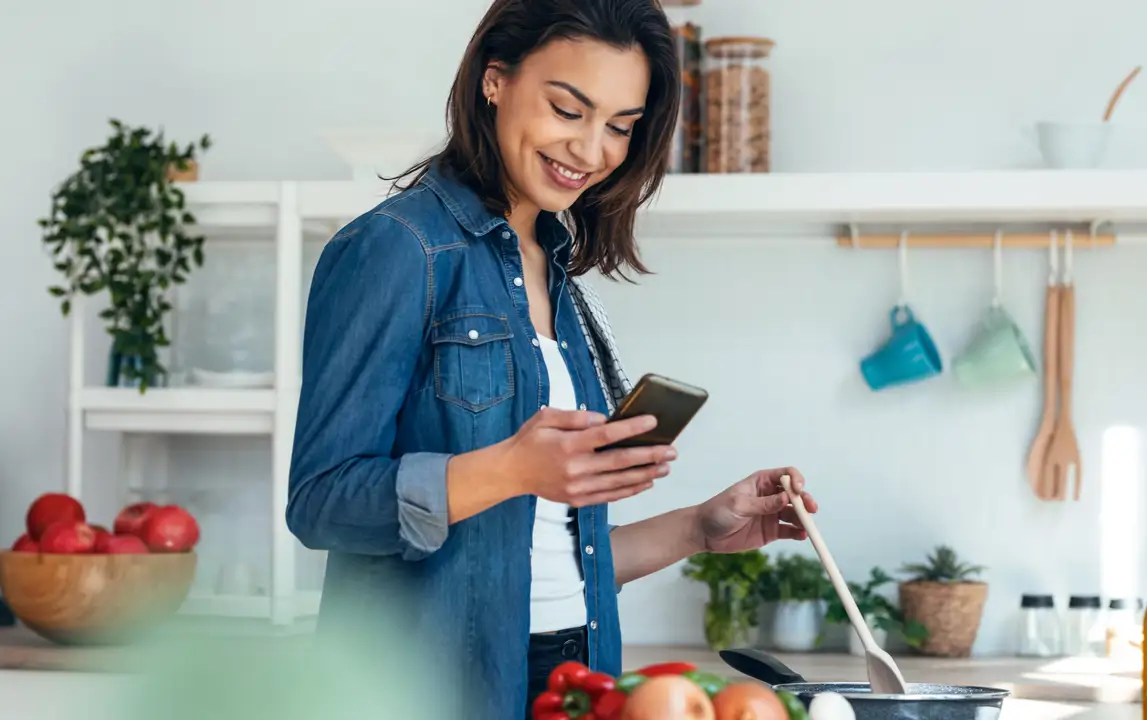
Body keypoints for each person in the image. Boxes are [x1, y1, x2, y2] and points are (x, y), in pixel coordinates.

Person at [285, 1, 819, 718]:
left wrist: (698, 527)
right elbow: (320, 502)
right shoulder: (397, 249)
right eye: (568, 108)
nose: (593, 149)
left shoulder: (557, 271)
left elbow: (543, 559)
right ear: (494, 80)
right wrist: (507, 468)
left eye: (620, 127)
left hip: (577, 683)